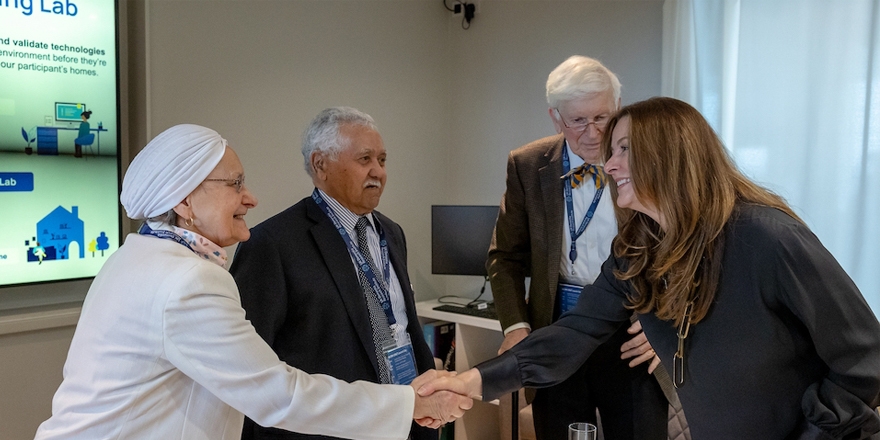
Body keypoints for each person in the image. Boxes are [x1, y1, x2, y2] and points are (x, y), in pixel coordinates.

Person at [421, 97, 880, 439]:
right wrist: (469, 380)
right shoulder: (639, 247)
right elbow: (573, 334)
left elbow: (864, 360)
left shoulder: (768, 236)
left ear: (668, 155)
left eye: (622, 149)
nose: (608, 163)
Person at [34, 124, 472, 440]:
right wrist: (407, 404)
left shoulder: (135, 257)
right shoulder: (189, 281)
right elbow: (276, 395)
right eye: (235, 184)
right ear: (184, 200)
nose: (251, 198)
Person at [486, 55, 667, 439]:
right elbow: (506, 256)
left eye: (601, 118)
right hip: (557, 330)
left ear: (617, 110)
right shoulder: (527, 164)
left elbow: (675, 252)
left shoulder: (650, 162)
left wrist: (660, 326)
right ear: (556, 118)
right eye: (578, 121)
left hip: (630, 330)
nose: (593, 134)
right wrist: (517, 327)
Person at [230, 107, 439, 440]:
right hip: (327, 430)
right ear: (320, 165)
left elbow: (403, 326)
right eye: (365, 159)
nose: (378, 172)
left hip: (405, 421)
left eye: (382, 160)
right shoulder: (272, 243)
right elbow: (248, 366)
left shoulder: (392, 233)